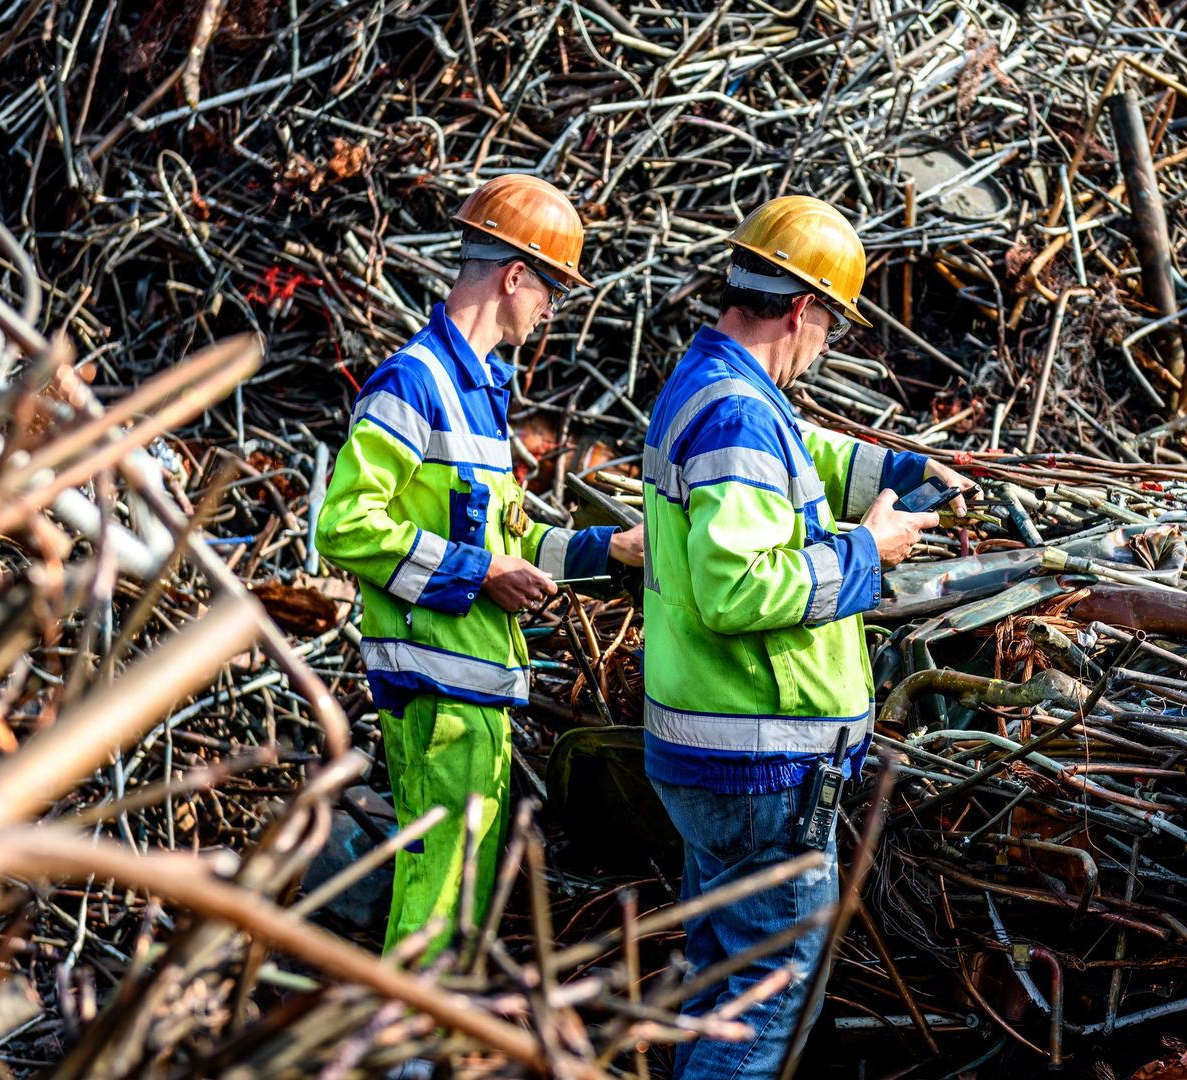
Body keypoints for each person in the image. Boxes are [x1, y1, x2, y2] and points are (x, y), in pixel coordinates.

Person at [641, 195, 974, 1076]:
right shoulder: (740, 415)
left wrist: (896, 469)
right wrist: (871, 548)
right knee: (768, 1004)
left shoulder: (712, 385)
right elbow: (736, 587)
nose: (826, 345)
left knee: (722, 991)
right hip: (761, 768)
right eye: (831, 324)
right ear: (801, 309)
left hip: (716, 754)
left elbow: (798, 452)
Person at [317, 174, 644, 954]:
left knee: (455, 905)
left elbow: (512, 542)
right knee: (438, 908)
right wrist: (478, 574)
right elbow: (345, 525)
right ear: (514, 276)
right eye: (551, 291)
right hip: (437, 695)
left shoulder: (480, 397)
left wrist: (609, 552)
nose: (551, 311)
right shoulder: (416, 384)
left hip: (471, 698)